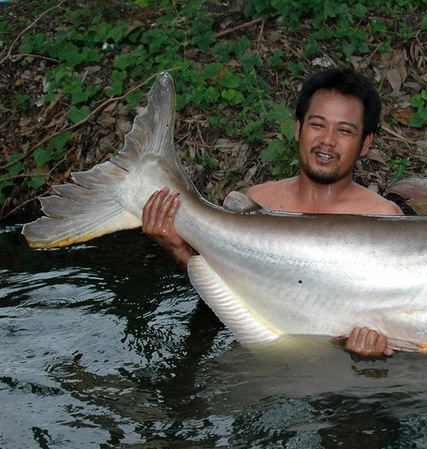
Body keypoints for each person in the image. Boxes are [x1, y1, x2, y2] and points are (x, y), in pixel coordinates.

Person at [142, 67, 402, 358]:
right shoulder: (257, 203)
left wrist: (375, 346)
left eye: (344, 130)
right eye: (318, 125)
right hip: (256, 354)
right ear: (298, 128)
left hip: (337, 370)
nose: (328, 140)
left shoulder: (385, 219)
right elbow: (222, 303)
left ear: (365, 143)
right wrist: (179, 251)